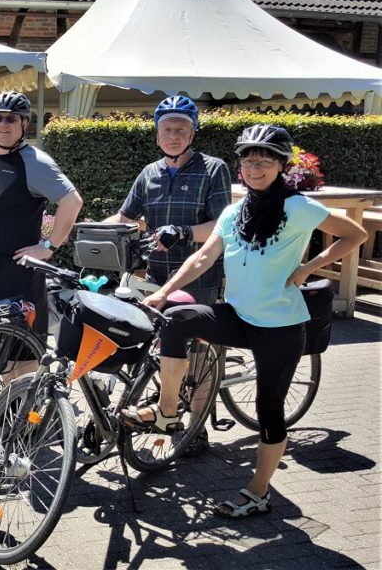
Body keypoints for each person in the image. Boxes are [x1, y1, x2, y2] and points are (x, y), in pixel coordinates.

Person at [123, 124, 366, 518]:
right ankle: (169, 413)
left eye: (265, 159)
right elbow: (202, 258)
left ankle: (258, 492)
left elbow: (352, 234)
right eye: (249, 159)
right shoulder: (234, 212)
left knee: (270, 410)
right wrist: (165, 290)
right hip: (237, 315)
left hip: (280, 326)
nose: (255, 166)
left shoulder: (297, 207)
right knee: (176, 318)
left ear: (281, 165)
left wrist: (309, 268)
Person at [103, 94, 232, 456]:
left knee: (199, 354)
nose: (173, 135)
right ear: (157, 134)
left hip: (199, 275)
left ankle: (197, 427)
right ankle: (163, 406)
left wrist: (187, 232)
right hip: (156, 275)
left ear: (193, 133)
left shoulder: (212, 169)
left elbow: (224, 227)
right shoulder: (150, 173)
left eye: (181, 129)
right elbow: (125, 216)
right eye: (166, 129)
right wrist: (86, 232)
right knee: (157, 346)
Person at [0, 90, 83, 334]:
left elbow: (72, 201)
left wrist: (48, 246)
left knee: (21, 355)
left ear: (24, 123)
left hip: (18, 276)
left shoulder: (33, 161)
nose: (2, 124)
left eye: (10, 118)